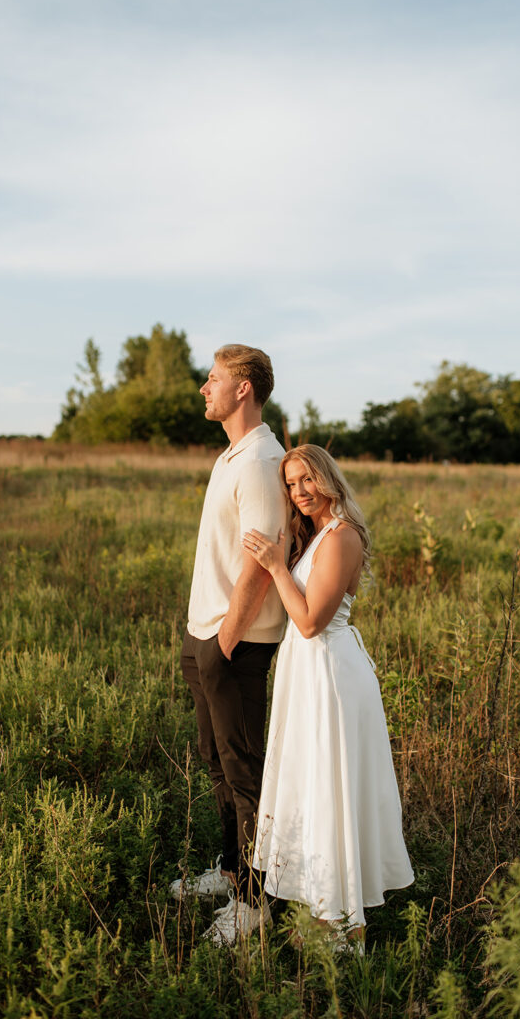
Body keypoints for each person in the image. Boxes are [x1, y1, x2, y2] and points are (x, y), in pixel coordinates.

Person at [242, 444, 413, 948]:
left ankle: (345, 922)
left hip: (331, 673)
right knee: (315, 783)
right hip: (308, 673)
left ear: (327, 478)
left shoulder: (341, 537)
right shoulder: (317, 535)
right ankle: (326, 908)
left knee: (332, 783)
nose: (299, 493)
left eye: (306, 480)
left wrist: (276, 566)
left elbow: (312, 621)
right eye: (291, 485)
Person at [170, 344, 288, 946]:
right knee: (216, 762)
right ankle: (228, 871)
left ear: (244, 388)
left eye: (213, 379)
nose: (204, 388)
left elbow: (260, 565)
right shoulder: (230, 457)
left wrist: (223, 642)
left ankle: (254, 902)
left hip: (234, 644)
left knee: (245, 773)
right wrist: (201, 639)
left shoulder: (263, 460)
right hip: (204, 635)